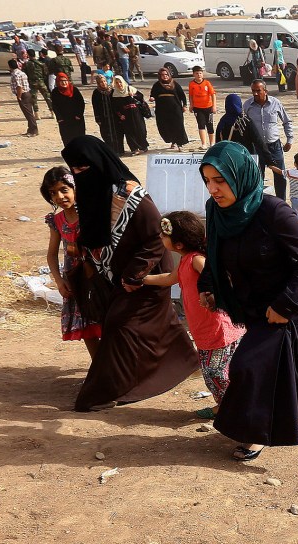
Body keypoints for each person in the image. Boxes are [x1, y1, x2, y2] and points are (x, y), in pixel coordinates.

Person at [196, 140, 298, 461]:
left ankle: (256, 433)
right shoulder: (218, 211)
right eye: (207, 180)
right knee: (280, 369)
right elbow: (214, 252)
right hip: (252, 303)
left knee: (251, 365)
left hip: (288, 304)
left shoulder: (274, 212)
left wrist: (285, 305)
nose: (213, 189)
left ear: (240, 176)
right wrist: (208, 284)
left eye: (220, 180)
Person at [61, 136, 200, 411]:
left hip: (147, 275)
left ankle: (106, 391)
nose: (79, 175)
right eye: (74, 171)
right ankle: (183, 361)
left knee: (119, 325)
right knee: (154, 325)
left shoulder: (131, 195)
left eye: (83, 169)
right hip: (116, 275)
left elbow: (154, 237)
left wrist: (134, 275)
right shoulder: (92, 194)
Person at [143, 211, 245, 419]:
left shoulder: (197, 260)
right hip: (205, 331)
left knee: (216, 373)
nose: (161, 239)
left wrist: (212, 294)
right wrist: (144, 280)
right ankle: (226, 405)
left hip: (220, 329)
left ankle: (236, 409)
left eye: (164, 235)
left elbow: (220, 279)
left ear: (178, 244)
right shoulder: (185, 261)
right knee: (211, 373)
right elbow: (170, 278)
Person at [41, 166, 102, 356]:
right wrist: (59, 281)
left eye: (64, 190)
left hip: (99, 277)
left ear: (75, 189)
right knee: (85, 327)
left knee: (107, 322)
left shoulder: (92, 214)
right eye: (53, 193)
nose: (59, 197)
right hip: (76, 280)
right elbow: (51, 254)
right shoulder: (56, 220)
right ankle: (98, 366)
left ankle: (112, 366)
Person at [244, 79, 294, 199]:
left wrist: (289, 139)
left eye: (258, 91)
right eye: (253, 91)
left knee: (280, 175)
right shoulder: (247, 105)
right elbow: (242, 125)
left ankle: (281, 203)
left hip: (274, 146)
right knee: (258, 177)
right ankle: (258, 203)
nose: (255, 93)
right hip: (257, 148)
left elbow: (287, 121)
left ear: (265, 91)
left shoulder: (275, 103)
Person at [215, 93, 275, 168]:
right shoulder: (245, 121)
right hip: (246, 159)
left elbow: (218, 144)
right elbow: (258, 141)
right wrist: (269, 160)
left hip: (228, 160)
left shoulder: (222, 122)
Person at [150, 67, 189, 151]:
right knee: (166, 126)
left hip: (175, 108)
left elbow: (182, 95)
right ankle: (173, 141)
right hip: (162, 110)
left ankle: (180, 144)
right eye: (162, 75)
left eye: (166, 74)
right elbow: (152, 94)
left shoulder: (174, 84)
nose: (165, 76)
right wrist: (152, 98)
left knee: (178, 126)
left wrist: (184, 105)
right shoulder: (157, 85)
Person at [111, 76, 148, 155]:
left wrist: (133, 95)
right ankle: (134, 149)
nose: (119, 84)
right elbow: (115, 107)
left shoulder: (130, 88)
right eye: (116, 83)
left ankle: (143, 146)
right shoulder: (115, 94)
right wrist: (120, 115)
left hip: (136, 113)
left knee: (141, 130)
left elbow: (141, 97)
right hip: (126, 116)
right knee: (129, 132)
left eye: (120, 82)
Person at [91, 74, 123, 154]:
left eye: (104, 81)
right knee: (106, 134)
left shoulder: (112, 90)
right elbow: (95, 106)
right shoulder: (96, 92)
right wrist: (97, 118)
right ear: (98, 83)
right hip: (104, 117)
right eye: (101, 82)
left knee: (118, 133)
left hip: (114, 116)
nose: (103, 83)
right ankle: (111, 151)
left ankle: (120, 150)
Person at [51, 72, 86, 146]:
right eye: (61, 81)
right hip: (64, 120)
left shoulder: (74, 90)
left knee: (80, 137)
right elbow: (54, 106)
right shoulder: (55, 92)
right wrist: (59, 117)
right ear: (58, 82)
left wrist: (79, 115)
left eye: (65, 80)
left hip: (76, 118)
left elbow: (81, 103)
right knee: (67, 137)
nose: (64, 83)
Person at [188, 66, 216, 150]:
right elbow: (191, 95)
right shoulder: (192, 84)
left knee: (210, 125)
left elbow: (213, 94)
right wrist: (191, 105)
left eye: (200, 73)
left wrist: (214, 106)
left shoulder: (207, 83)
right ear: (193, 74)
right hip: (198, 108)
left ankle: (212, 143)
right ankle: (204, 143)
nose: (199, 75)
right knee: (201, 125)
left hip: (208, 107)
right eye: (197, 73)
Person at [8, 58, 38, 138]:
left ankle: (34, 130)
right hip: (27, 93)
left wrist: (19, 96)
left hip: (23, 95)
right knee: (29, 112)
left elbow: (19, 86)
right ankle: (30, 129)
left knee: (28, 114)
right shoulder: (21, 72)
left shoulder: (16, 74)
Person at [23, 49, 52, 119]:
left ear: (28, 55)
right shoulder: (41, 63)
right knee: (47, 97)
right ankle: (52, 112)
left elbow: (25, 73)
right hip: (41, 82)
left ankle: (37, 114)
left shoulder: (27, 64)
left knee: (34, 99)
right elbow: (46, 73)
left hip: (32, 83)